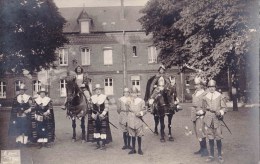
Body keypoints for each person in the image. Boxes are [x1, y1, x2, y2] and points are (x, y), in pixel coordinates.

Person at [203, 80, 227, 163]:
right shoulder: (205, 96)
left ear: (215, 87)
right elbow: (203, 108)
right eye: (210, 87)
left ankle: (220, 156)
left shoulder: (219, 95)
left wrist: (220, 112)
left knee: (218, 137)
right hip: (208, 119)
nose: (211, 88)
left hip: (217, 119)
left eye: (213, 87)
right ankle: (211, 156)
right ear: (208, 88)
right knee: (210, 137)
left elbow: (224, 108)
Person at [144, 65, 171, 135]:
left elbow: (168, 83)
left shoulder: (166, 76)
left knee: (169, 95)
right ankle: (150, 106)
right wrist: (155, 86)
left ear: (164, 70)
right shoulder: (156, 76)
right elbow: (153, 83)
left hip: (164, 89)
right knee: (153, 96)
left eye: (163, 70)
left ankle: (171, 106)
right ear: (159, 70)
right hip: (158, 88)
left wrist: (165, 87)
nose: (161, 71)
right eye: (160, 69)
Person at [86, 84, 112, 150]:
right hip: (95, 116)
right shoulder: (92, 98)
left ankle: (103, 144)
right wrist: (93, 113)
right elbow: (91, 107)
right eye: (97, 90)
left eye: (99, 90)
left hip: (102, 116)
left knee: (103, 129)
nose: (98, 91)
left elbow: (106, 107)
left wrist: (102, 114)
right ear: (95, 91)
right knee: (96, 129)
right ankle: (98, 143)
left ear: (101, 90)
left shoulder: (104, 97)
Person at [190, 77, 209, 157]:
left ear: (201, 85)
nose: (196, 86)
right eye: (195, 84)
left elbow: (208, 105)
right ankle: (201, 149)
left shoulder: (204, 94)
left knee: (201, 132)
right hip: (194, 115)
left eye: (197, 84)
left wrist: (203, 111)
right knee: (197, 132)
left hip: (201, 115)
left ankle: (205, 151)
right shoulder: (195, 93)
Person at [127, 87, 146, 155]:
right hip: (131, 119)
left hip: (138, 120)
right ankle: (133, 149)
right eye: (132, 93)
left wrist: (140, 113)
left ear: (137, 93)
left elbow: (144, 110)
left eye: (135, 93)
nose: (133, 94)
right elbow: (126, 109)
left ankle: (139, 149)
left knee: (139, 135)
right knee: (132, 135)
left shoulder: (141, 101)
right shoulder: (128, 101)